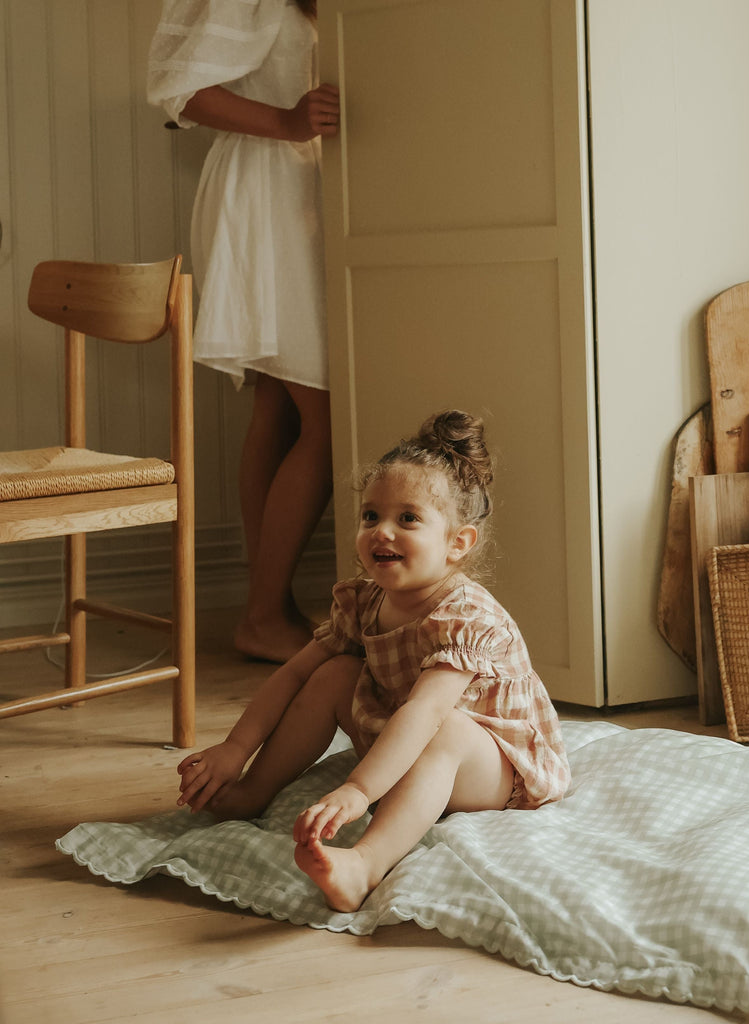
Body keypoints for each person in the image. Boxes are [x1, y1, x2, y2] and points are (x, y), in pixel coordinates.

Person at [173, 410, 572, 912]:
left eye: (407, 518)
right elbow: (296, 673)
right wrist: (236, 748)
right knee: (332, 672)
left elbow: (424, 715)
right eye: (371, 516)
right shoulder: (362, 600)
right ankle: (254, 791)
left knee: (444, 726)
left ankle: (364, 864)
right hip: (402, 736)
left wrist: (358, 791)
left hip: (492, 764)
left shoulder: (468, 619)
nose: (382, 531)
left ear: (457, 544)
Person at [148, 0, 340, 663]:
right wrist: (288, 121)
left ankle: (270, 607)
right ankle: (263, 613)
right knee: (325, 416)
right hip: (266, 192)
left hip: (292, 186)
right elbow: (182, 89)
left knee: (280, 408)